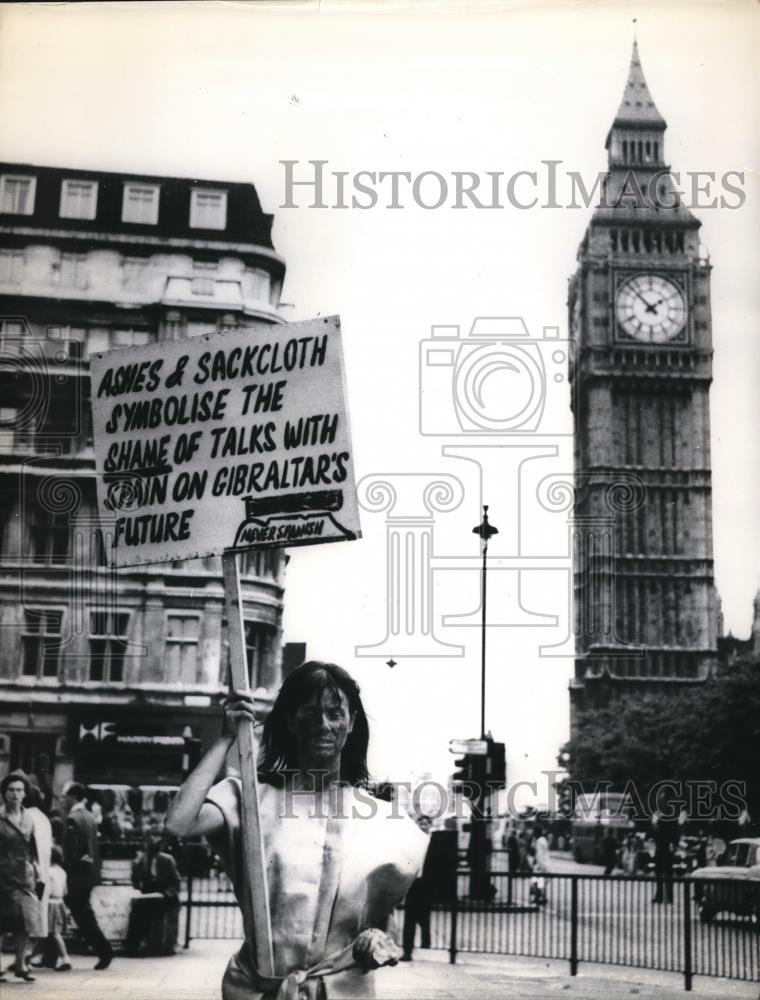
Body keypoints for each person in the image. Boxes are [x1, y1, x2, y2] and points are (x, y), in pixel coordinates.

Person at [166, 660, 427, 1000]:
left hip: (342, 991)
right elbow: (177, 823)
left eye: (335, 714)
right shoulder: (250, 799)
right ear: (291, 720)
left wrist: (374, 941)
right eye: (310, 712)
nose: (324, 725)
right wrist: (226, 739)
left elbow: (379, 919)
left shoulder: (382, 820)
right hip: (259, 989)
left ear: (352, 723)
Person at [62, 781, 113, 969]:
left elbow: (71, 850)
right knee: (83, 914)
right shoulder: (89, 817)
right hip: (88, 875)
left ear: (72, 796)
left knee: (82, 916)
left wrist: (67, 870)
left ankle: (104, 951)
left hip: (76, 876)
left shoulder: (71, 819)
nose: (62, 799)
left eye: (64, 795)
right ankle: (50, 955)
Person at [0, 771, 42, 983]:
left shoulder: (29, 818)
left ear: (24, 794)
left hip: (25, 877)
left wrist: (37, 869)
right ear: (4, 794)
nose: (15, 794)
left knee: (25, 922)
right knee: (2, 921)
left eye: (19, 790)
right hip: (3, 877)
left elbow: (34, 847)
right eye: (11, 790)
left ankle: (20, 964)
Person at [126, 814, 181, 956]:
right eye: (149, 838)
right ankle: (133, 946)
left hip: (164, 895)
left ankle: (153, 945)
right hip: (149, 893)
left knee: (149, 909)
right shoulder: (143, 860)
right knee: (137, 911)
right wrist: (136, 866)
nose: (152, 840)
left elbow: (176, 882)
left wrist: (166, 894)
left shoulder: (167, 860)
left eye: (155, 837)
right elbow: (136, 881)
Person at [400, 814, 432, 961]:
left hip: (426, 883)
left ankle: (426, 933)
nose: (423, 826)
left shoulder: (433, 842)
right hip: (413, 882)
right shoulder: (411, 842)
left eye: (426, 824)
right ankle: (407, 951)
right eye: (420, 823)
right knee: (410, 918)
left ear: (430, 825)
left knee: (423, 914)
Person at [40, 846, 72, 971]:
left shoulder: (49, 871)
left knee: (53, 933)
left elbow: (46, 890)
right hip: (60, 902)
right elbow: (65, 891)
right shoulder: (62, 872)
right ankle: (31, 957)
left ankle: (65, 958)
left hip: (50, 903)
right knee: (49, 932)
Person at [530, 825, 550, 905]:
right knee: (542, 882)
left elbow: (538, 854)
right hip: (545, 863)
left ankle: (538, 897)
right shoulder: (544, 840)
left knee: (536, 881)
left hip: (540, 865)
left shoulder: (538, 841)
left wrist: (537, 864)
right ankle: (543, 897)